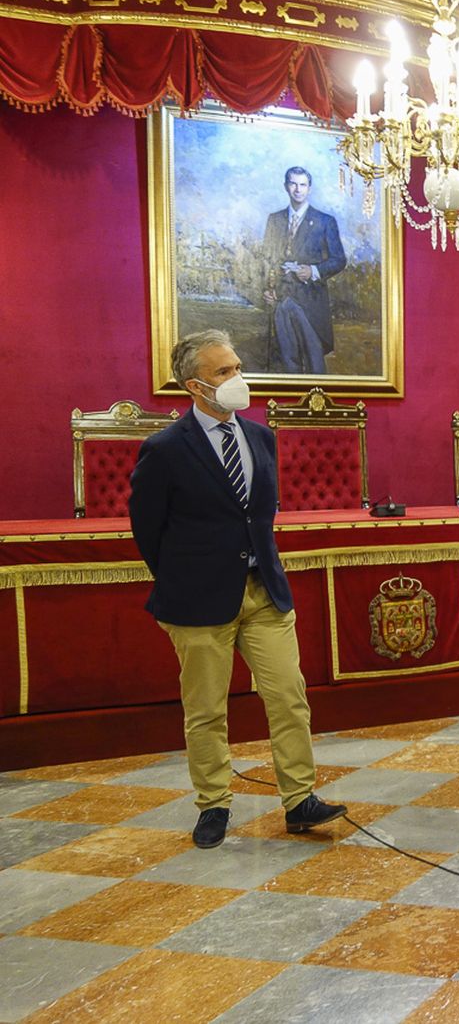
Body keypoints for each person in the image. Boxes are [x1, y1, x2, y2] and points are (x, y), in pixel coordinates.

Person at [129, 329, 347, 848]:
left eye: (236, 367)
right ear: (195, 386)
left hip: (263, 591)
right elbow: (147, 529)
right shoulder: (164, 449)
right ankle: (213, 805)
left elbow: (260, 515)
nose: (236, 379)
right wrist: (184, 577)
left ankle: (299, 800)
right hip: (198, 600)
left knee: (289, 697)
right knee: (206, 709)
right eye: (223, 372)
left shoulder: (260, 437)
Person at [262, 166, 346, 374]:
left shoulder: (325, 221)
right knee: (286, 359)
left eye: (302, 185)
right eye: (293, 184)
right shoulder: (275, 219)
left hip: (310, 301)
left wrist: (314, 271)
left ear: (309, 188)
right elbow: (266, 259)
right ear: (285, 186)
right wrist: (268, 288)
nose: (297, 189)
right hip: (281, 299)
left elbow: (339, 260)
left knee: (313, 360)